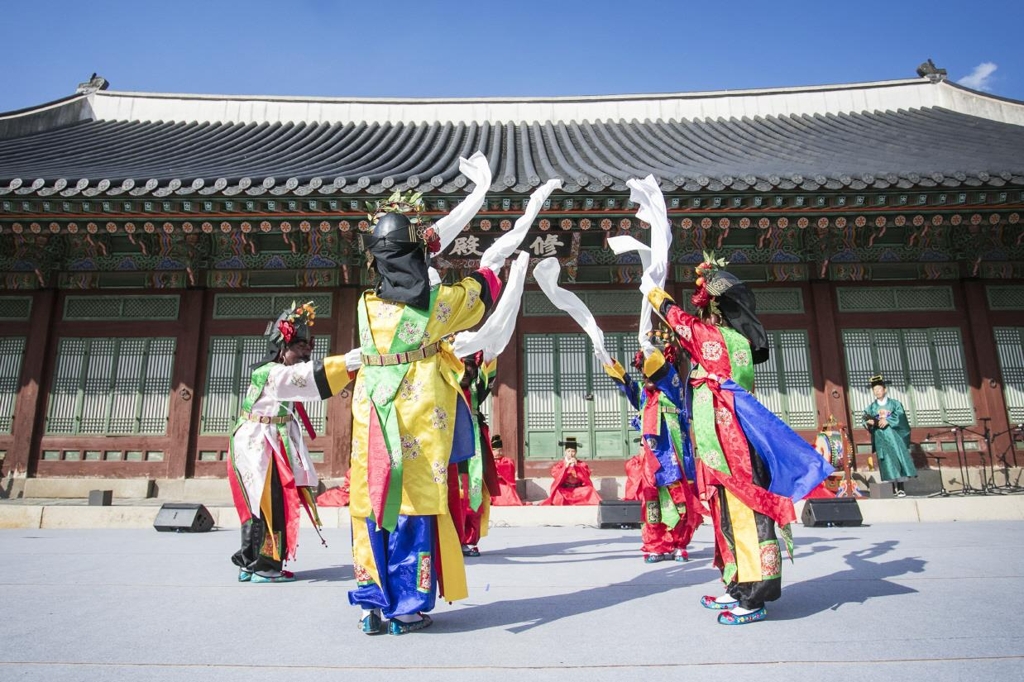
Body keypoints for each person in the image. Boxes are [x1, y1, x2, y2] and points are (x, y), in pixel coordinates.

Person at [644, 254, 833, 625]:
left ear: (718, 310)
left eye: (709, 308)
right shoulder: (737, 341)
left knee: (745, 514)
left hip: (731, 445)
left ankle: (755, 594)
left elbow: (682, 324)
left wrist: (653, 293)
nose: (704, 317)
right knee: (726, 516)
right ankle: (737, 584)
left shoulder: (721, 340)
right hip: (720, 441)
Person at [347, 200, 508, 636]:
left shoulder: (365, 307)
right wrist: (491, 267)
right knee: (413, 504)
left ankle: (370, 603)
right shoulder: (433, 305)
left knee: (371, 499)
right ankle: (407, 607)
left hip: (372, 418)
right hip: (415, 419)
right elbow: (475, 298)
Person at [227, 302, 357, 583]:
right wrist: (349, 362)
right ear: (281, 347)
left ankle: (251, 563)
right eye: (299, 346)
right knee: (268, 503)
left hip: (266, 442)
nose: (306, 352)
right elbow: (305, 378)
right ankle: (264, 566)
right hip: (260, 446)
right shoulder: (273, 373)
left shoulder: (276, 372)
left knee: (263, 504)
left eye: (308, 346)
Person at [602, 340, 704, 563]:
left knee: (680, 500)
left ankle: (679, 544)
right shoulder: (641, 394)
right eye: (643, 372)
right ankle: (656, 545)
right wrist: (608, 361)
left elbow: (663, 371)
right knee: (652, 503)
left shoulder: (672, 387)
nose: (646, 378)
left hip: (675, 455)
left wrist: (651, 351)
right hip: (652, 459)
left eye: (649, 372)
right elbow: (626, 383)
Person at [454, 351, 501, 557]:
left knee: (474, 491)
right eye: (461, 368)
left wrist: (491, 349)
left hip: (473, 441)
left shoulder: (476, 390)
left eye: (470, 368)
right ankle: (450, 539)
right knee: (452, 492)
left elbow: (487, 376)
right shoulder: (445, 387)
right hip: (449, 441)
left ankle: (469, 539)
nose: (465, 373)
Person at [862, 375, 917, 497]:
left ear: (885, 390)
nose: (877, 392)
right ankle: (892, 487)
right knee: (887, 461)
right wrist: (869, 423)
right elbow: (864, 418)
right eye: (874, 390)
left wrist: (889, 421)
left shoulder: (895, 404)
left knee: (898, 458)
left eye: (879, 389)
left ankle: (901, 487)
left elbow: (900, 415)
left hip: (894, 436)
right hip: (881, 437)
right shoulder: (871, 407)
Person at [540, 438, 603, 505]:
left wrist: (578, 467)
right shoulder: (559, 465)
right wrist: (566, 467)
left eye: (573, 451)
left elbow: (586, 477)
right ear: (565, 452)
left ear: (576, 452)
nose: (571, 453)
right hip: (565, 490)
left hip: (578, 490)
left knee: (590, 490)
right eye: (568, 451)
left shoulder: (582, 464)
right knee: (557, 492)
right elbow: (556, 476)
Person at [489, 434, 524, 506]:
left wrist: (500, 473)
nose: (498, 453)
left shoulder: (507, 460)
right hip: (492, 481)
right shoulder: (489, 460)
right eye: (495, 451)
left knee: (506, 491)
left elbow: (508, 467)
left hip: (504, 481)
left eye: (500, 451)